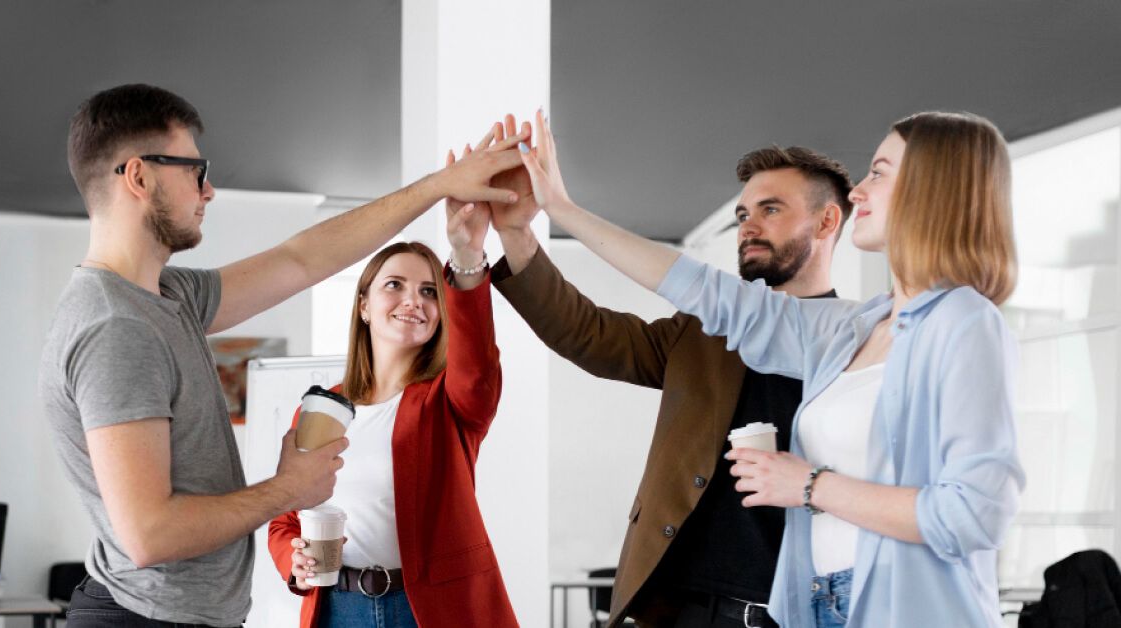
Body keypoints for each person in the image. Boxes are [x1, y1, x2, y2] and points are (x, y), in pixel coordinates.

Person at [510, 110, 1025, 627]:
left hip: (865, 602)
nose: (860, 191)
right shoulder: (858, 329)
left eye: (879, 171)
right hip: (794, 604)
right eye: (741, 214)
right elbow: (692, 292)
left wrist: (809, 485)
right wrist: (557, 213)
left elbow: (972, 513)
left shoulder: (951, 321)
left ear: (932, 187)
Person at [38, 83, 525, 627]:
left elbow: (300, 259)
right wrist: (287, 491)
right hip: (144, 619)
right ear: (139, 176)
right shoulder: (117, 327)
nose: (210, 190)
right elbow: (149, 534)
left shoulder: (170, 297)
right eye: (195, 172)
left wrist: (439, 187)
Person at [486, 118, 853, 627]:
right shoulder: (703, 330)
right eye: (744, 212)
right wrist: (515, 234)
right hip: (678, 609)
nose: (748, 224)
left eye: (771, 210)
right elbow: (586, 333)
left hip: (796, 610)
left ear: (827, 222)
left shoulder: (861, 342)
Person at [266, 151, 517, 627]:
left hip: (426, 612)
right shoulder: (319, 411)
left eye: (428, 291)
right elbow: (286, 517)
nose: (412, 301)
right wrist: (292, 560)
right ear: (363, 305)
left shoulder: (450, 400)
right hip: (338, 608)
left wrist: (465, 259)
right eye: (394, 285)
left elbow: (479, 370)